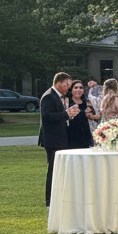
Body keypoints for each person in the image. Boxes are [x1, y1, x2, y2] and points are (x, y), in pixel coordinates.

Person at [38, 72, 79, 207]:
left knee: (59, 168)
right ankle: (49, 201)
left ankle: (59, 196)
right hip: (52, 139)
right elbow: (47, 116)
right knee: (53, 168)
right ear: (59, 82)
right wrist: (65, 113)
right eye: (67, 84)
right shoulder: (49, 96)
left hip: (60, 137)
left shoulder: (58, 96)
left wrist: (69, 115)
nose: (68, 87)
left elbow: (59, 116)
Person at [65, 80, 98, 149]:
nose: (78, 90)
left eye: (81, 88)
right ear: (71, 90)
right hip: (72, 133)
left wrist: (91, 115)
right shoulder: (68, 100)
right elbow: (66, 115)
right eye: (76, 87)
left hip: (85, 133)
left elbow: (97, 115)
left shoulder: (87, 102)